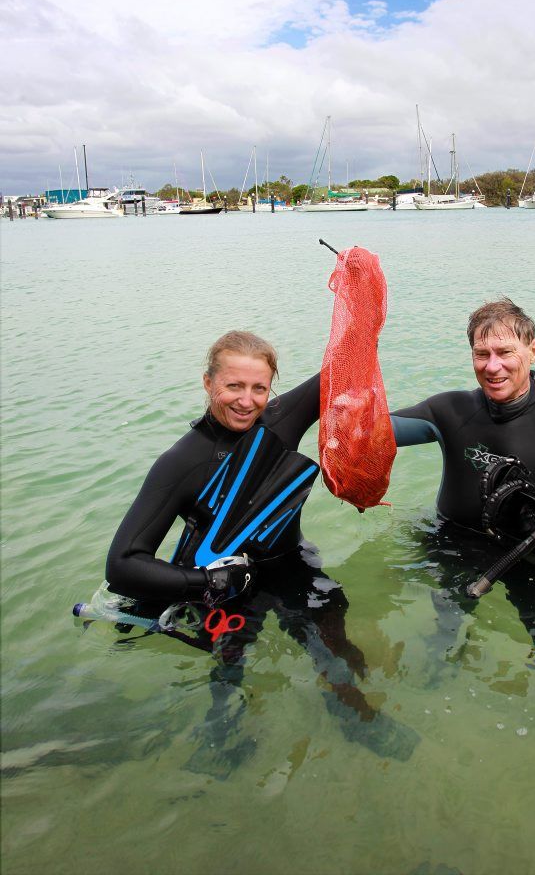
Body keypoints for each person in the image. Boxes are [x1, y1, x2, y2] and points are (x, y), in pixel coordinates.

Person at [105, 330, 416, 770]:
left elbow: (346, 363)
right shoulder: (182, 462)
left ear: (271, 388)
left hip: (289, 564)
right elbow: (121, 565)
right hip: (223, 582)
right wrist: (209, 581)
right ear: (208, 382)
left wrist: (363, 299)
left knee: (332, 637)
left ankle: (353, 712)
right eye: (233, 386)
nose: (246, 401)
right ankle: (224, 736)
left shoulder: (278, 422)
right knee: (228, 671)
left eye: (259, 388)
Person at [390, 298, 535, 780]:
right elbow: (378, 431)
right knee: (447, 618)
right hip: (452, 541)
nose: (492, 366)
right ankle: (447, 653)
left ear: (532, 351)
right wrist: (343, 396)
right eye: (482, 354)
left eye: (505, 352)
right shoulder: (449, 409)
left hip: (528, 554)